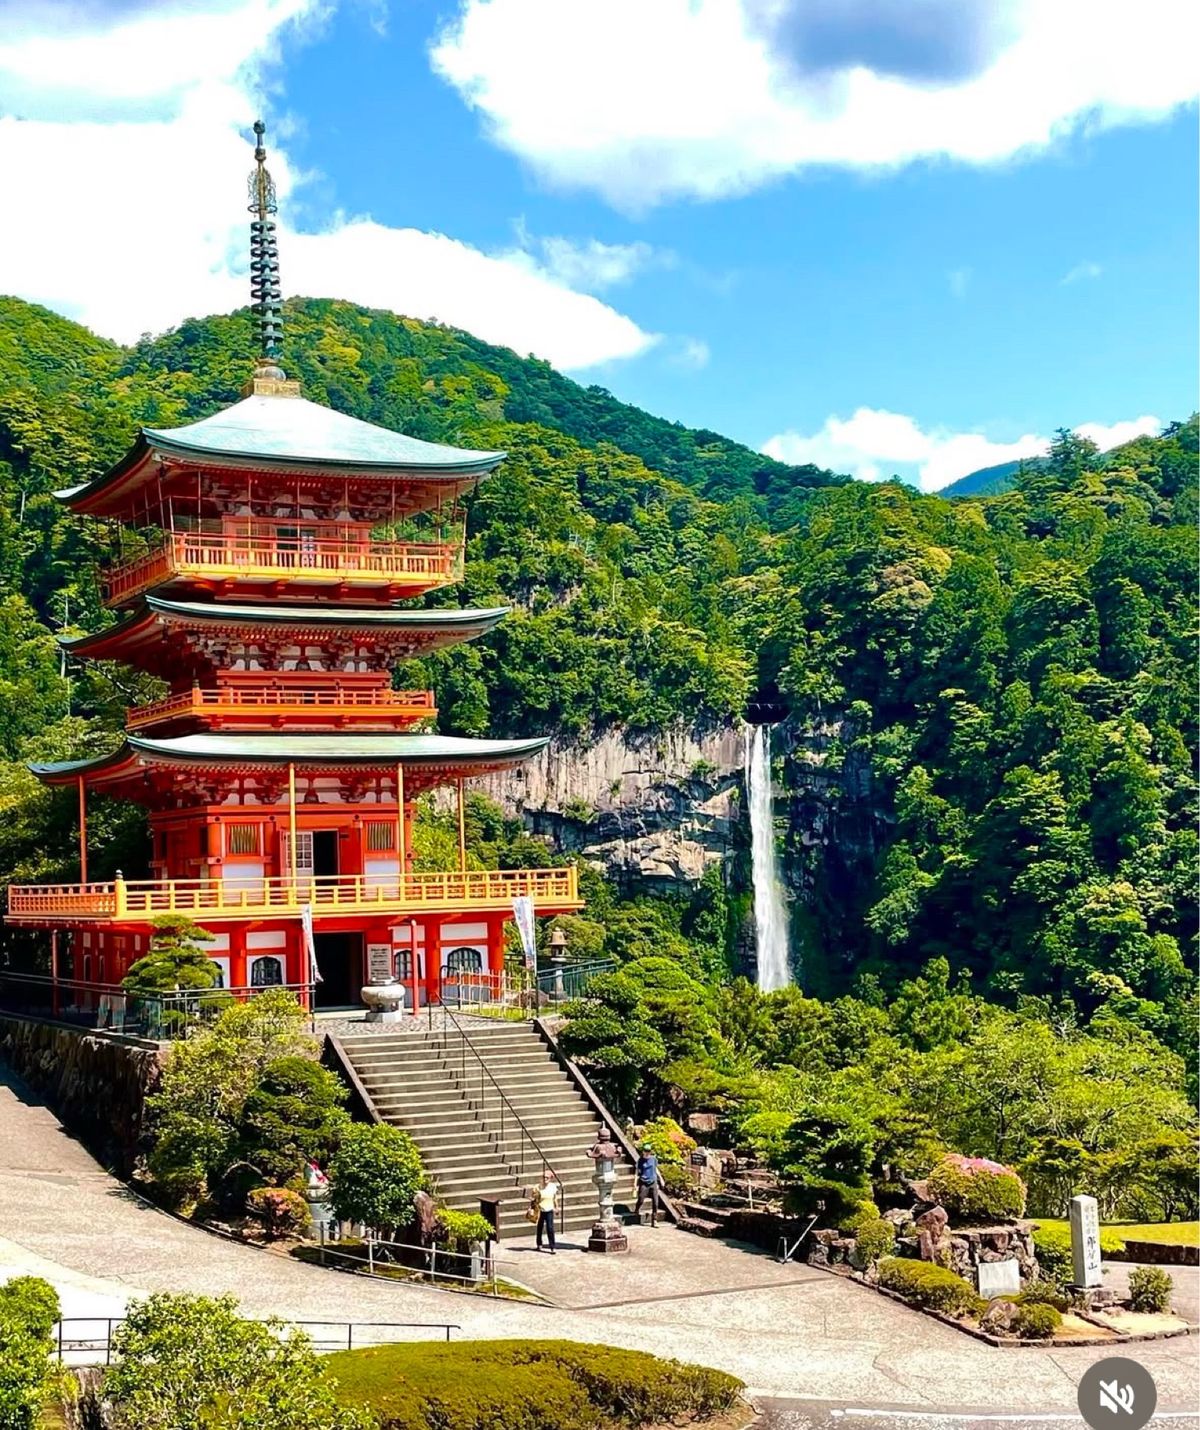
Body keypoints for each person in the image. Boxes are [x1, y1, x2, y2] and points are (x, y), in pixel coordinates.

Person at [635, 1142, 660, 1227]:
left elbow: (656, 1169)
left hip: (653, 1181)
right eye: (646, 1151)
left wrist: (661, 1179)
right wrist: (635, 1184)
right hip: (644, 1181)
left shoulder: (653, 1159)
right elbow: (636, 1173)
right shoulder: (640, 1161)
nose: (647, 1152)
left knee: (656, 1202)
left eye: (648, 1151)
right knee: (641, 1199)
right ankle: (637, 1209)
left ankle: (654, 1220)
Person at [535, 1167, 560, 1253]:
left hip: (549, 1209)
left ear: (551, 1178)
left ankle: (552, 1246)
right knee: (540, 1227)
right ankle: (539, 1243)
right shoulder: (538, 1187)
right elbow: (535, 1199)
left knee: (550, 1228)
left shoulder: (553, 1187)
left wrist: (557, 1207)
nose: (545, 1179)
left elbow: (555, 1198)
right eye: (544, 1177)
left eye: (547, 1177)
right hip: (540, 1209)